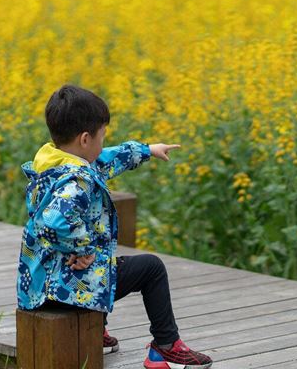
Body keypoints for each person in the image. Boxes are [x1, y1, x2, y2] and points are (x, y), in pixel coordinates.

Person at [16, 85, 213, 369]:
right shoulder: (77, 181)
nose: (103, 142)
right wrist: (81, 248)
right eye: (102, 135)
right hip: (66, 290)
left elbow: (106, 158)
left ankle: (97, 332)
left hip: (40, 287)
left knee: (102, 259)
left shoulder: (50, 164)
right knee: (150, 268)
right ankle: (166, 347)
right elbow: (55, 220)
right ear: (85, 139)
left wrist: (146, 150)